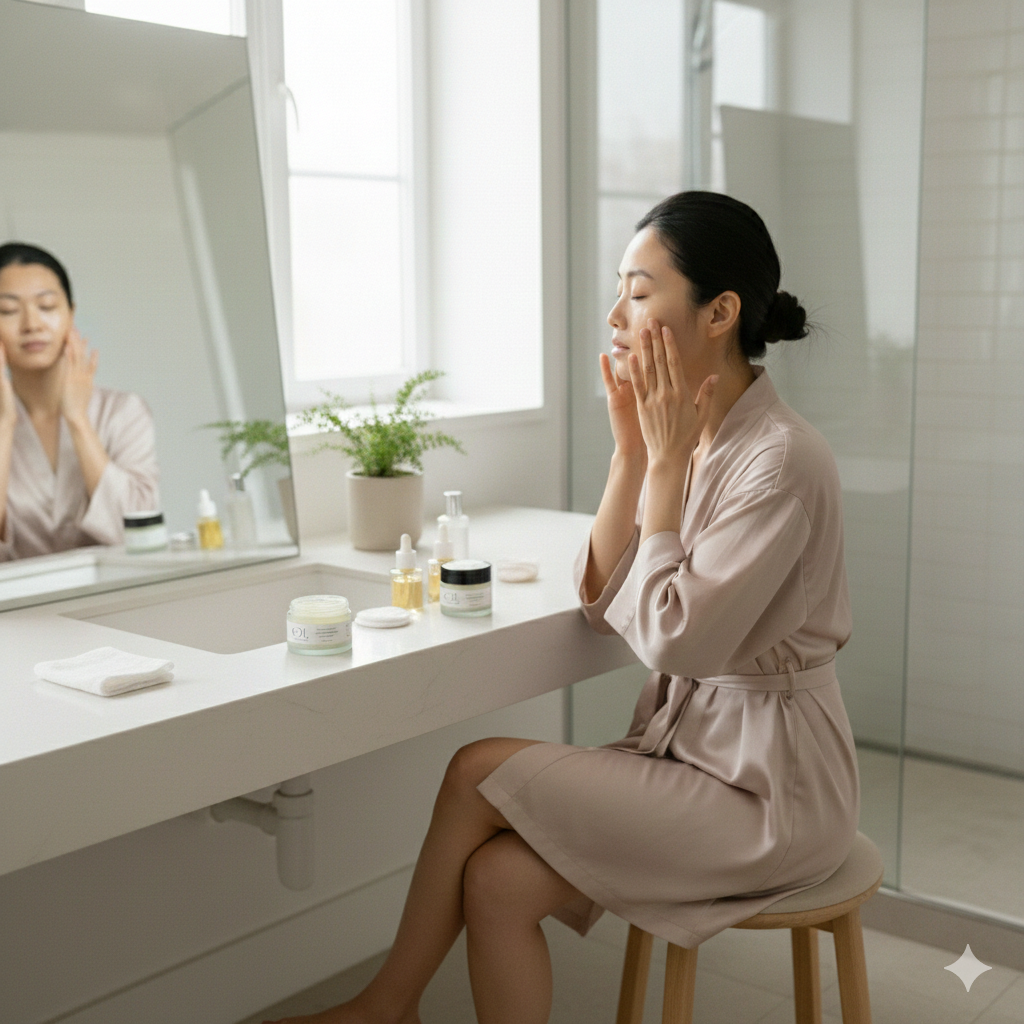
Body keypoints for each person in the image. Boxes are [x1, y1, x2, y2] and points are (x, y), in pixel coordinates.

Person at [269, 192, 859, 1024]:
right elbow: (605, 606)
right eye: (620, 289)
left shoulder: (779, 460)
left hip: (772, 797)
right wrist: (630, 452)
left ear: (720, 311)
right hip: (698, 760)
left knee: (474, 767)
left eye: (641, 290)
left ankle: (382, 1008)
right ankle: (387, 1008)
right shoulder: (688, 435)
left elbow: (676, 642)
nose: (617, 313)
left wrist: (659, 468)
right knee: (496, 880)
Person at [0, 242, 159, 560]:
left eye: (46, 306)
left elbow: (141, 531)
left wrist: (78, 421)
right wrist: (5, 424)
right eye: (7, 311)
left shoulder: (122, 412)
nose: (32, 324)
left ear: (70, 313)